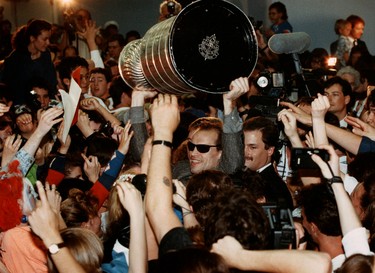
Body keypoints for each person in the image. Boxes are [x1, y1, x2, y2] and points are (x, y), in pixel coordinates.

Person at [2, 19, 57, 106]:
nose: (48, 43)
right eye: (45, 39)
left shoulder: (46, 54)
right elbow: (16, 89)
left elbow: (51, 81)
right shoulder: (15, 59)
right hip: (22, 103)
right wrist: (36, 97)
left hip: (45, 100)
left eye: (49, 39)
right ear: (32, 38)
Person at [243, 116, 294, 209]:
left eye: (253, 147)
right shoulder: (240, 175)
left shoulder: (275, 188)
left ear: (270, 150)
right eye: (243, 145)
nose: (245, 152)